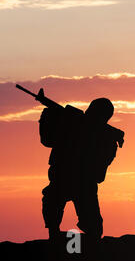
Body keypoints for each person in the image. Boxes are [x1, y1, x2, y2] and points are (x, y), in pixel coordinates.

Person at [39, 98, 119, 242]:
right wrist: (49, 116)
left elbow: (48, 140)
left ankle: (62, 236)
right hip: (67, 179)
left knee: (93, 228)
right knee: (52, 202)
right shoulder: (76, 125)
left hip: (81, 182)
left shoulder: (104, 136)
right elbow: (48, 139)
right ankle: (55, 233)